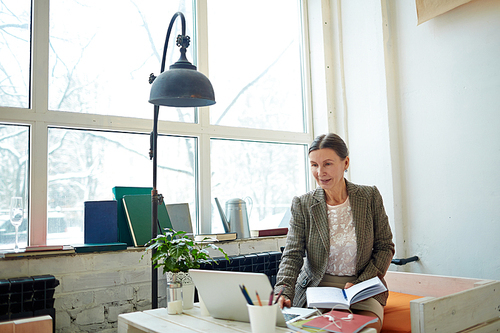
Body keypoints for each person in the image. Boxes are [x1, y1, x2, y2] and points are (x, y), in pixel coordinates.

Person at [274, 133, 394, 332]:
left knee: (364, 330)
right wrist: (284, 290)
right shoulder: (303, 204)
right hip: (317, 288)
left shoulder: (370, 196)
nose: (320, 172)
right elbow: (292, 254)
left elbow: (385, 247)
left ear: (345, 162)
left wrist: (361, 282)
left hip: (361, 289)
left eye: (327, 164)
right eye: (314, 165)